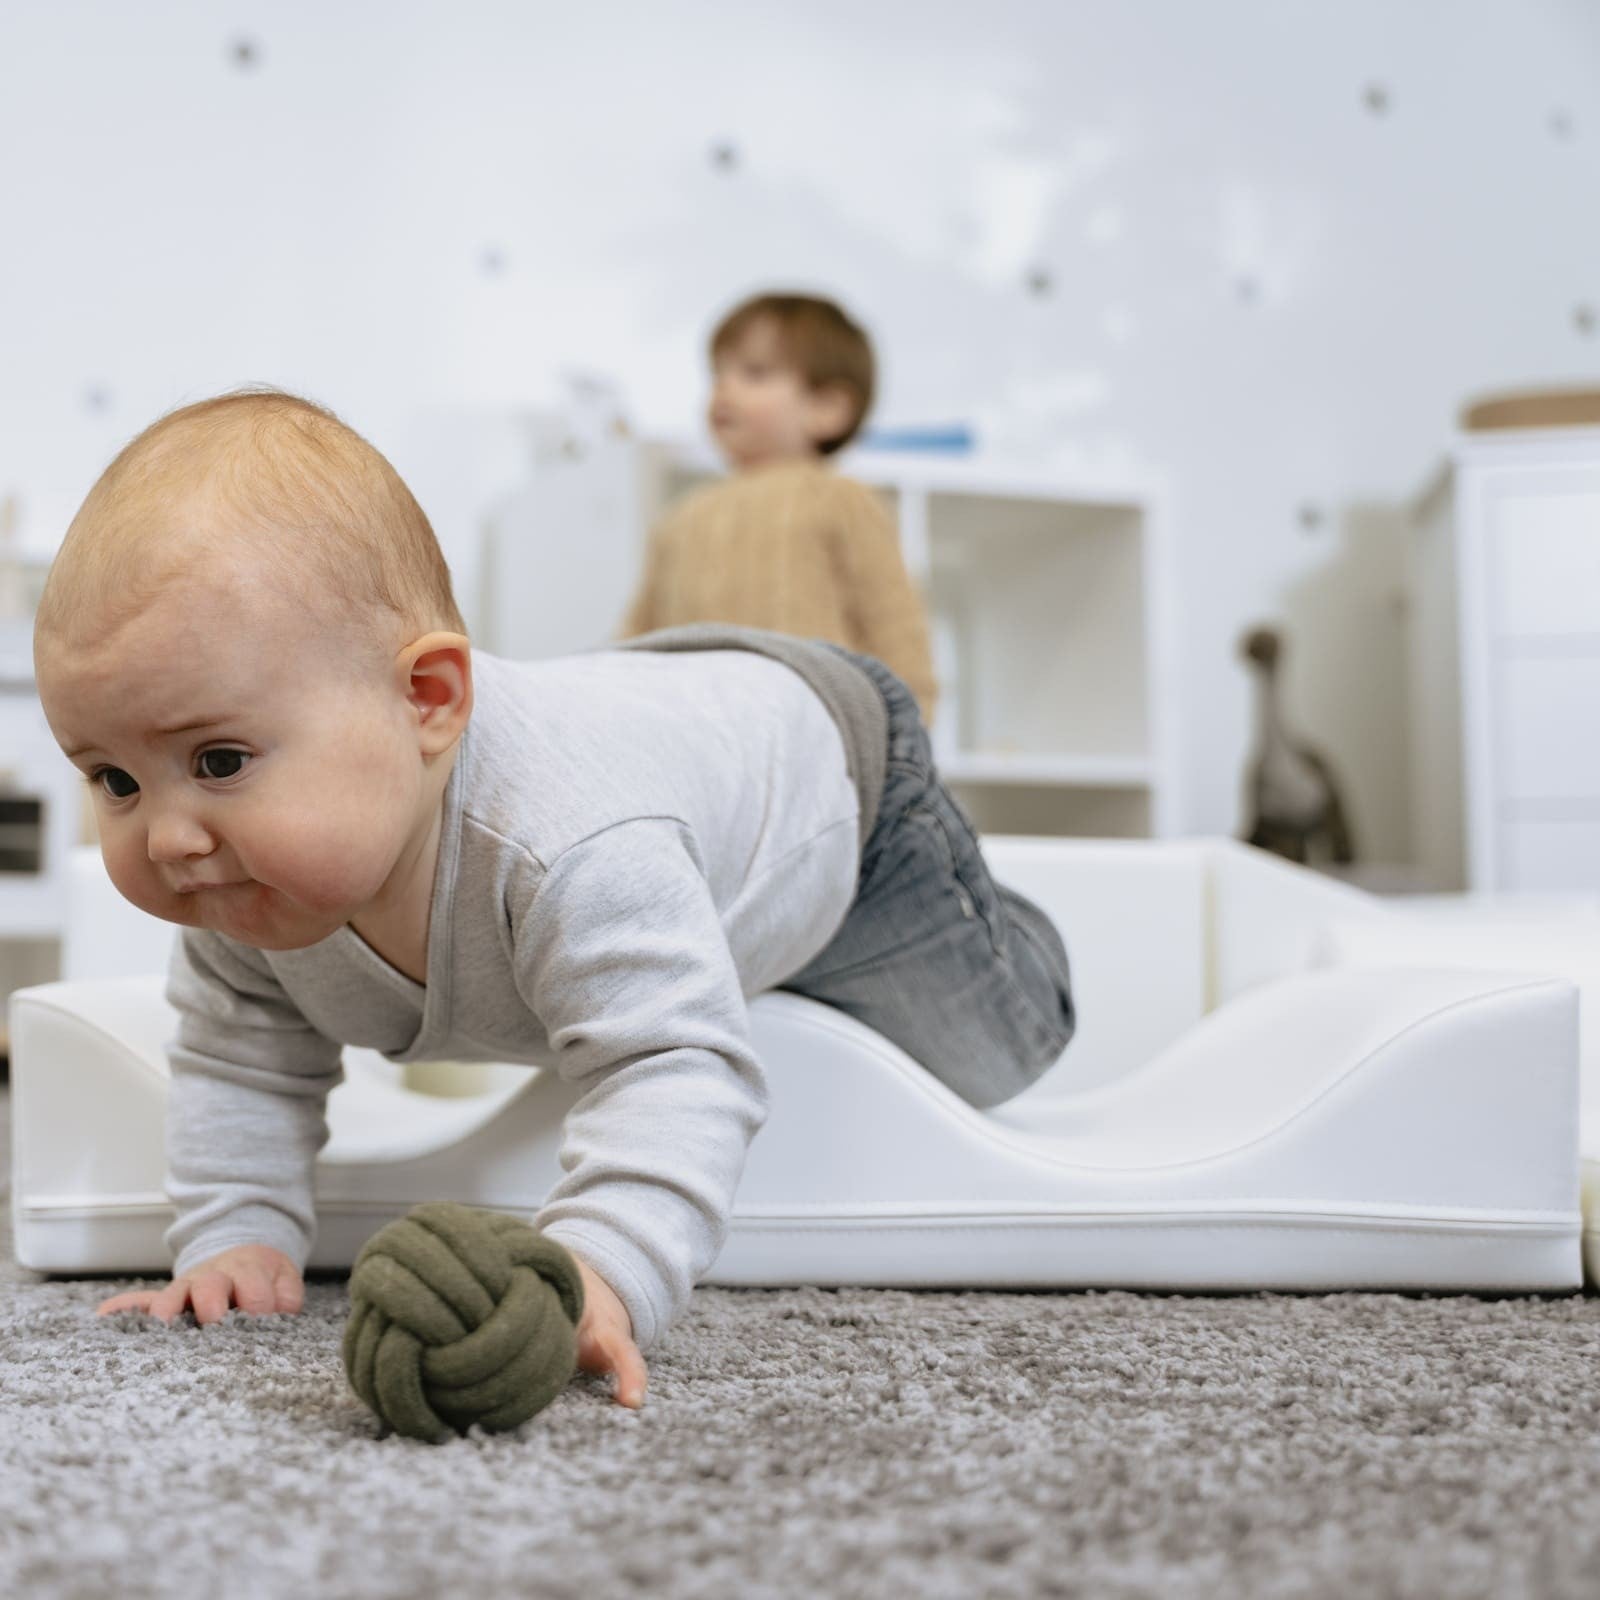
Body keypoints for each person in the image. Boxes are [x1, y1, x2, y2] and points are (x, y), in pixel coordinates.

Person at [32, 389, 1074, 1409]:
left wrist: (603, 1260)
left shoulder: (571, 846)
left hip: (840, 784)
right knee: (658, 966)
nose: (167, 836)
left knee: (996, 1050)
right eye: (113, 779)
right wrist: (236, 1236)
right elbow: (236, 1058)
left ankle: (1016, 921)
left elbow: (672, 1065)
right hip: (666, 756)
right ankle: (688, 943)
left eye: (217, 759)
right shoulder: (239, 880)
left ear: (426, 703)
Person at [620, 292, 939, 720]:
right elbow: (637, 641)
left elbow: (897, 636)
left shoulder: (843, 501)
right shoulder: (680, 519)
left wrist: (903, 754)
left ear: (827, 409)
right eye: (718, 374)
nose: (724, 389)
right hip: (695, 747)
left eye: (754, 373)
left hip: (818, 750)